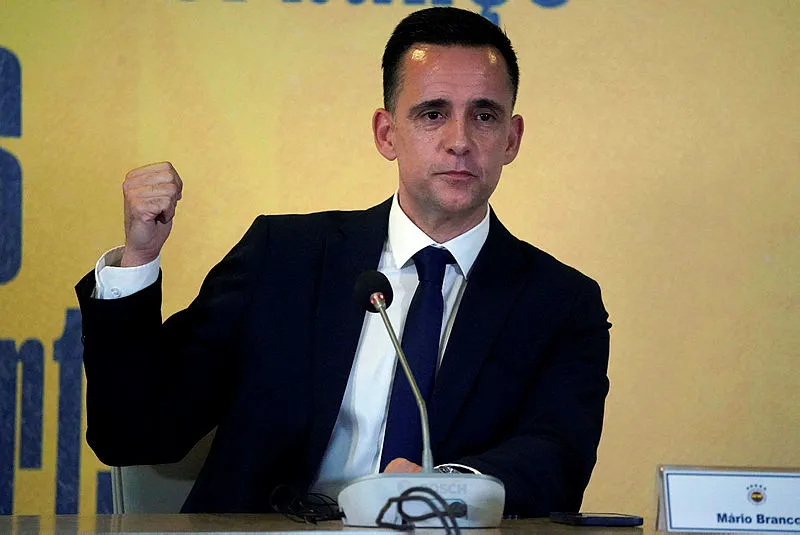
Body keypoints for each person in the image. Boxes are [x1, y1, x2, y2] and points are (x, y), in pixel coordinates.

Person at [76, 7, 610, 517]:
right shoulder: (283, 257)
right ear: (386, 134)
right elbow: (134, 432)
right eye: (432, 114)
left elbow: (555, 461)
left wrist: (443, 487)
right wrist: (139, 257)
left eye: (484, 116)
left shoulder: (560, 303)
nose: (459, 142)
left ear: (512, 139)